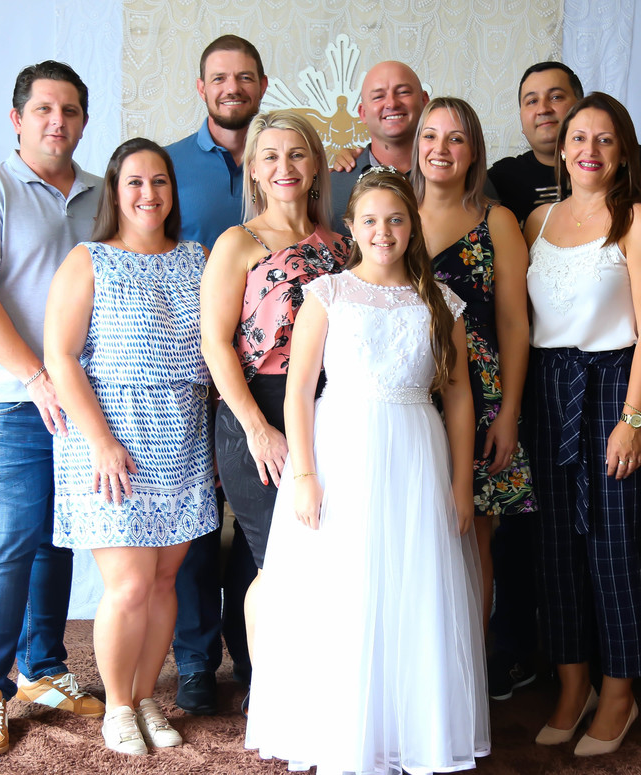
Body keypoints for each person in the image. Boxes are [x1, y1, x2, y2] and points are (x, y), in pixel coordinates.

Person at [245, 168, 490, 774]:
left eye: (397, 219)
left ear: (413, 226)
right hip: (340, 451)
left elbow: (459, 394)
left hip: (415, 451)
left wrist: (462, 483)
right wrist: (305, 475)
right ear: (351, 227)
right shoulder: (327, 293)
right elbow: (299, 390)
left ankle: (406, 731)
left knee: (412, 583)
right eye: (372, 220)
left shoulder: (441, 302)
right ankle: (341, 731)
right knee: (345, 584)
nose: (384, 231)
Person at [0, 60, 105, 759]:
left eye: (69, 110)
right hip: (8, 398)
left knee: (55, 539)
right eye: (43, 109)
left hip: (80, 399)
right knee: (7, 543)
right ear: (17, 119)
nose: (56, 121)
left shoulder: (103, 194)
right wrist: (36, 376)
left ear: (84, 121)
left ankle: (44, 671)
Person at [42, 138, 215, 755]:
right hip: (112, 436)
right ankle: (117, 706)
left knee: (165, 581)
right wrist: (102, 442)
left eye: (159, 181)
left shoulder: (196, 258)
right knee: (131, 585)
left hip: (182, 432)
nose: (149, 193)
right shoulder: (89, 260)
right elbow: (61, 358)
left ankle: (144, 696)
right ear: (115, 192)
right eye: (135, 182)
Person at [522, 92, 641, 756]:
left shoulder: (639, 220)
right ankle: (572, 683)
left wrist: (634, 419)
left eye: (605, 139)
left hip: (614, 386)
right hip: (548, 389)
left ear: (623, 152)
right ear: (561, 148)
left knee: (613, 548)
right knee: (555, 550)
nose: (589, 149)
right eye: (579, 137)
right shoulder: (537, 219)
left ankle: (619, 691)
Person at [199, 110, 349, 711]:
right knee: (276, 556)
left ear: (315, 167)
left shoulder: (342, 245)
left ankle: (309, 681)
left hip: (327, 408)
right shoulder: (238, 243)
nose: (284, 166)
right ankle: (270, 693)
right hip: (257, 406)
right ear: (254, 172)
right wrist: (256, 428)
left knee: (320, 550)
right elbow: (215, 344)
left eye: (296, 154)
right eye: (270, 156)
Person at [163, 33, 268, 715]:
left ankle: (257, 653)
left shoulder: (287, 159)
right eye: (220, 78)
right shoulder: (167, 165)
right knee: (197, 524)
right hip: (187, 373)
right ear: (201, 88)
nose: (233, 88)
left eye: (245, 77)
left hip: (270, 376)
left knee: (261, 521)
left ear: (263, 85)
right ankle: (197, 661)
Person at [410, 96, 535, 646]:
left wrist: (508, 414)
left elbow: (513, 324)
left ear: (474, 152)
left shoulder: (496, 220)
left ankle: (472, 669)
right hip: (407, 389)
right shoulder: (391, 211)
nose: (441, 148)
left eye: (455, 138)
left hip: (481, 393)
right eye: (430, 136)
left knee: (474, 533)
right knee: (412, 531)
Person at [489, 61, 641, 225]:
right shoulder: (500, 179)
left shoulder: (635, 161)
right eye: (531, 101)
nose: (543, 109)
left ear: (580, 107)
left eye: (556, 97)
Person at [327, 60, 429, 233]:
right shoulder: (332, 188)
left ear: (424, 101)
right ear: (363, 113)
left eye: (403, 92)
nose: (392, 104)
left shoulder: (454, 178)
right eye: (378, 97)